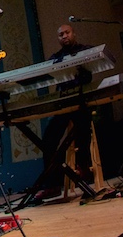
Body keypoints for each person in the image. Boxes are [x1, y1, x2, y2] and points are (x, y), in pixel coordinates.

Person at [37, 23, 94, 198]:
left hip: (81, 101)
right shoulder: (56, 58)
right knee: (49, 139)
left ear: (73, 33)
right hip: (63, 104)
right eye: (61, 34)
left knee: (83, 129)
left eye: (67, 33)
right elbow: (46, 71)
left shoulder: (84, 50)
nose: (64, 36)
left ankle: (84, 169)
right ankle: (52, 184)